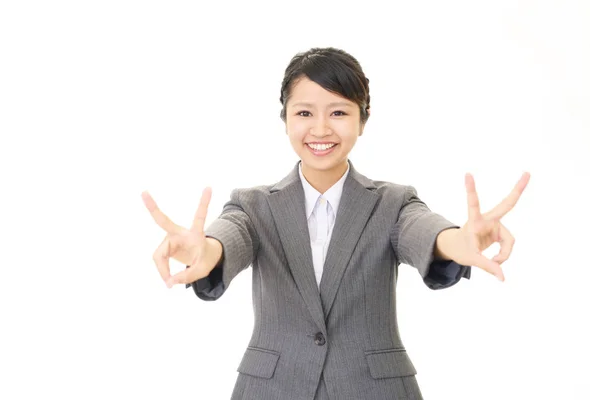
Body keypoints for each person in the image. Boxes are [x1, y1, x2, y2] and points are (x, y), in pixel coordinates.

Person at [141, 47, 530, 400]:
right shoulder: (254, 205)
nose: (322, 129)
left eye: (339, 112)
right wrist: (205, 251)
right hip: (273, 389)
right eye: (305, 113)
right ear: (286, 119)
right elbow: (229, 238)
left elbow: (423, 230)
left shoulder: (392, 202)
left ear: (363, 119)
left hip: (374, 389)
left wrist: (456, 241)